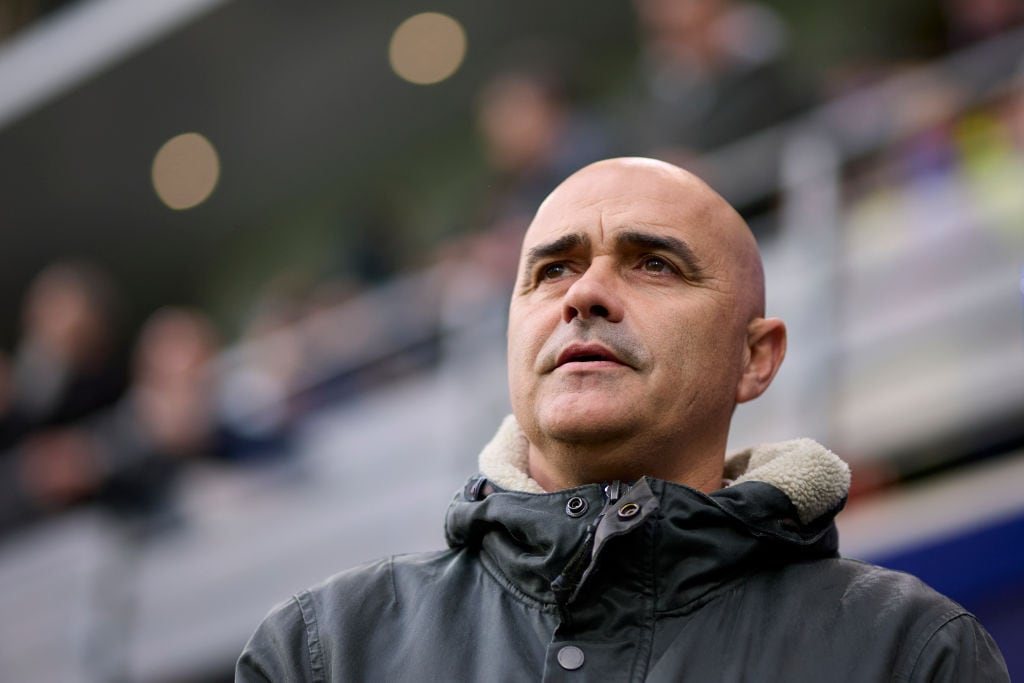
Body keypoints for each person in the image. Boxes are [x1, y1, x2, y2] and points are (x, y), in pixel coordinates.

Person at [236, 158, 1008, 681]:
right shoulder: (324, 652)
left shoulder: (906, 651)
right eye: (553, 269)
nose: (585, 295)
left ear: (756, 357)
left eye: (654, 264)